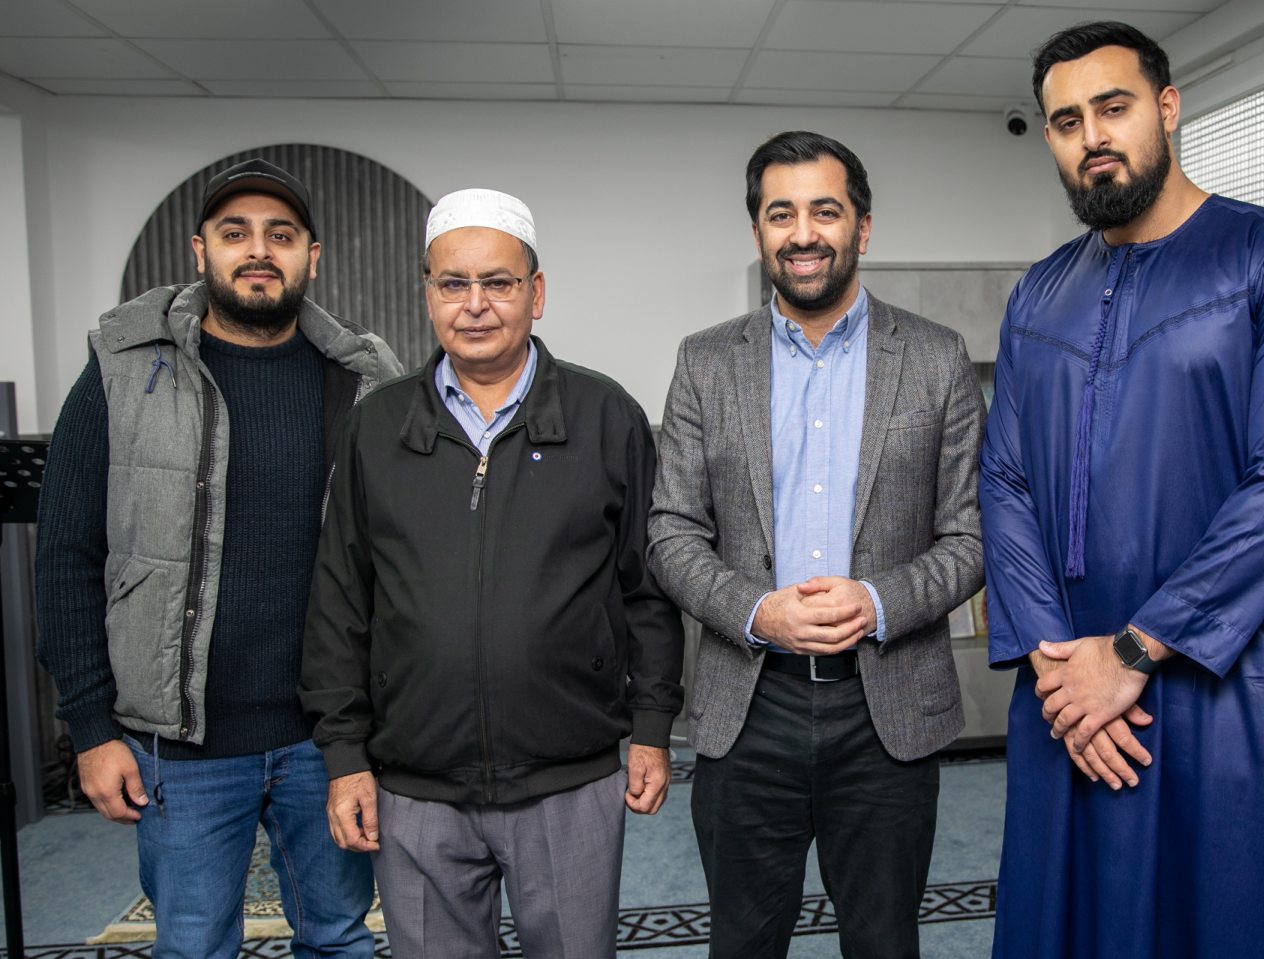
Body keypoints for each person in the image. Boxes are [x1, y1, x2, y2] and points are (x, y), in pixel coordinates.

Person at [982, 21, 1264, 959]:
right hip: (1068, 687)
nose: (1092, 136)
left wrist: (1135, 651)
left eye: (1113, 107)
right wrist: (1056, 665)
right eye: (1065, 121)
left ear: (1167, 107)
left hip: (1219, 687)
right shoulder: (1039, 293)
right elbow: (1004, 478)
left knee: (1226, 922)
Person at [300, 187, 684, 958]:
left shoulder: (607, 416)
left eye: (499, 283)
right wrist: (345, 758)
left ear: (535, 294)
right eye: (453, 283)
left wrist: (651, 728)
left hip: (568, 784)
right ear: (429, 294)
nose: (476, 305)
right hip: (414, 789)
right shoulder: (377, 426)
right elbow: (341, 599)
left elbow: (649, 589)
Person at [35, 158, 401, 957]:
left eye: (281, 234)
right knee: (195, 943)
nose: (258, 250)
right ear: (200, 251)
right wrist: (90, 727)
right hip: (183, 746)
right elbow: (66, 555)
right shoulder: (122, 368)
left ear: (313, 255)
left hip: (326, 742)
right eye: (236, 234)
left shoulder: (365, 378)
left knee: (340, 937)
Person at [648, 131, 986, 959]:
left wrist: (876, 601)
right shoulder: (704, 362)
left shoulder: (938, 359)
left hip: (889, 712)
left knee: (882, 941)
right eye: (781, 213)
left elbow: (972, 536)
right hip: (746, 704)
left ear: (862, 228)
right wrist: (756, 610)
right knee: (743, 941)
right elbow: (670, 529)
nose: (804, 233)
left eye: (825, 211)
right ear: (759, 231)